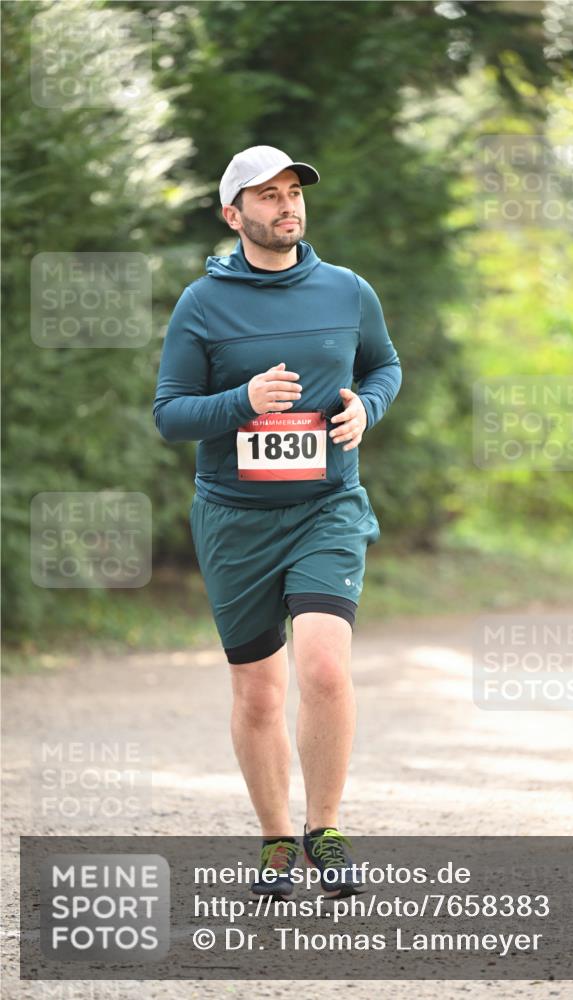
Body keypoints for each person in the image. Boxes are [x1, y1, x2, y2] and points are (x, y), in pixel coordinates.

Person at [153, 145, 401, 899]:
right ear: (234, 215)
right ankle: (275, 839)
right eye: (266, 196)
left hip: (326, 505)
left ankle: (324, 828)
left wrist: (367, 406)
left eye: (292, 191)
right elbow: (170, 414)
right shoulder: (202, 304)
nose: (285, 205)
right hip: (235, 519)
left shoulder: (347, 290)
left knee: (323, 665)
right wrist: (242, 403)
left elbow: (383, 366)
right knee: (259, 691)